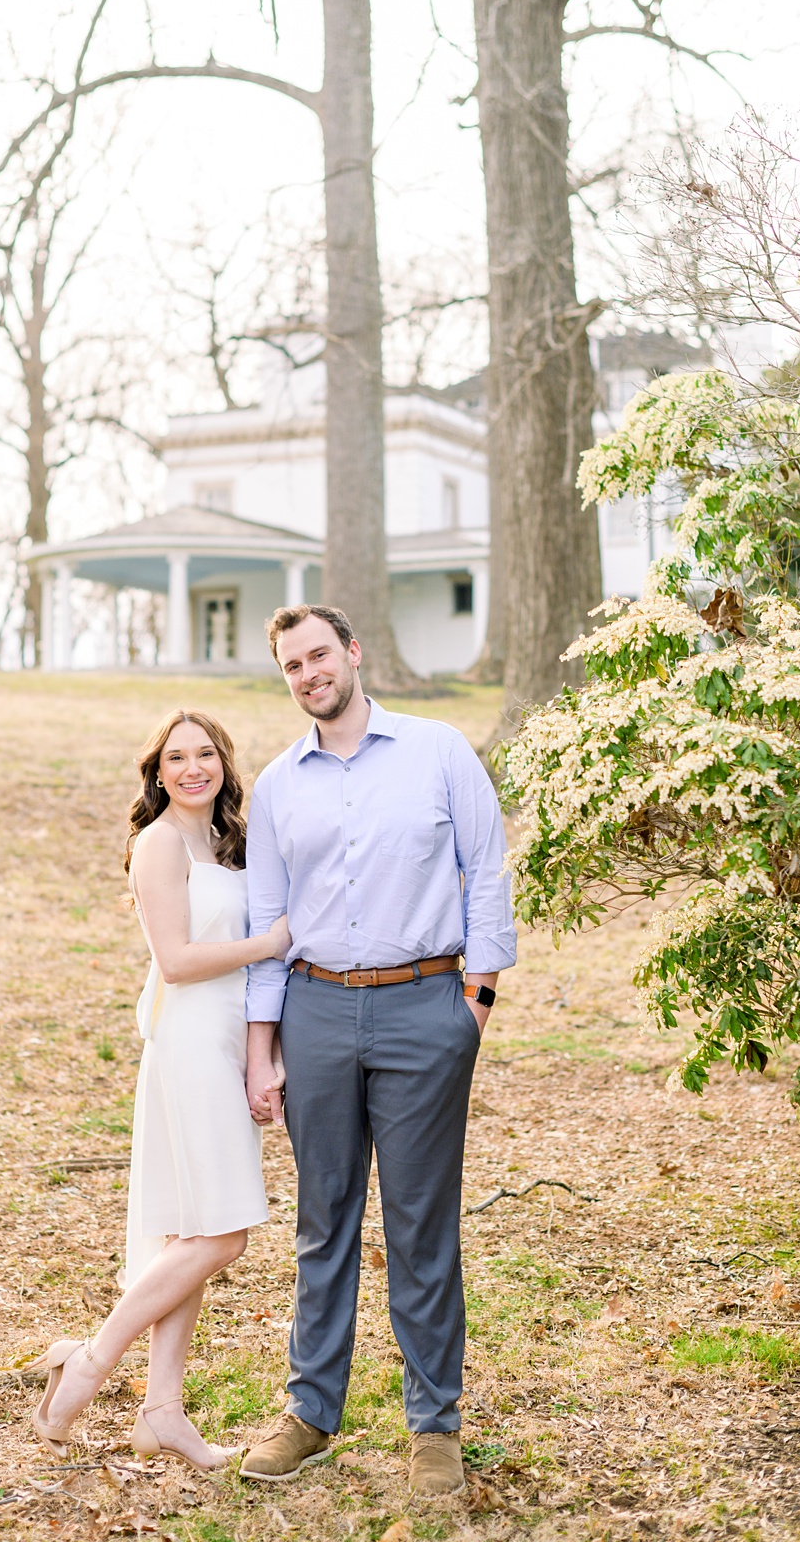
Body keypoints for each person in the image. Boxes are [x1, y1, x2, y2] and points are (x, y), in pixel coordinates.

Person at [234, 604, 513, 1498]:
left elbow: (490, 867)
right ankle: (311, 1413)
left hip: (425, 1007)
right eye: (292, 665)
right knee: (324, 1220)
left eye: (320, 654)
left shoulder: (438, 751)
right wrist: (262, 1046)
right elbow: (266, 923)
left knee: (422, 1223)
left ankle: (435, 1424)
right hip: (316, 1009)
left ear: (354, 653)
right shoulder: (279, 784)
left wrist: (474, 1001)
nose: (309, 673)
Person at [28, 710, 293, 1465]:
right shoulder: (158, 843)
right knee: (223, 1233)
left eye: (205, 753)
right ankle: (86, 1362)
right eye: (176, 757)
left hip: (226, 1040)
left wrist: (259, 1055)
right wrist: (273, 939)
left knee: (192, 1232)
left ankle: (162, 1413)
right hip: (185, 1045)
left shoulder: (230, 843)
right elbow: (175, 960)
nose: (192, 767)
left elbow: (248, 977)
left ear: (224, 762)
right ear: (157, 771)